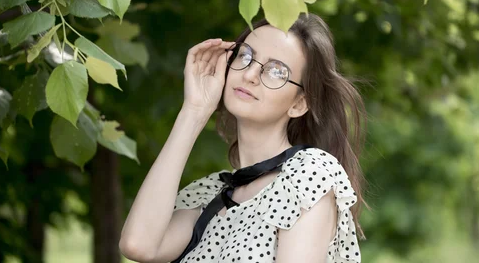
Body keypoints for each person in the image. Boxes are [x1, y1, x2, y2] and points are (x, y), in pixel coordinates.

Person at [119, 13, 368, 263]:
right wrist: (194, 111)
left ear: (299, 104)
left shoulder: (308, 176)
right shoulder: (210, 194)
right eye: (246, 56)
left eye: (276, 71)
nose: (250, 75)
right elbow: (138, 245)